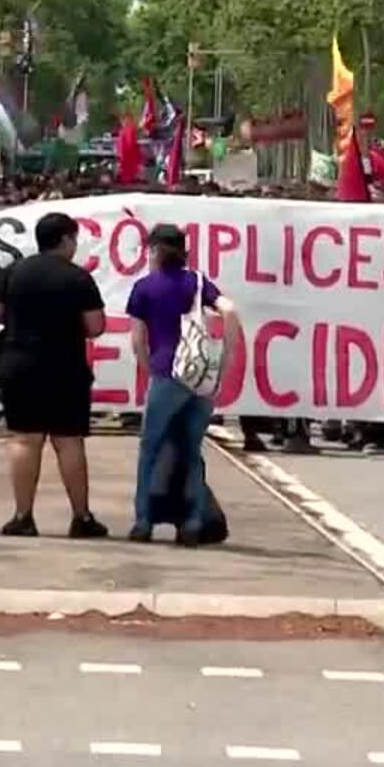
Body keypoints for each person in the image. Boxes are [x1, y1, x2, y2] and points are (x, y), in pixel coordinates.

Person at [0, 211, 109, 539]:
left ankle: (22, 516)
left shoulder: (14, 271)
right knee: (68, 441)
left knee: (25, 438)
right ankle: (81, 517)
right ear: (66, 239)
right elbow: (95, 326)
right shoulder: (78, 277)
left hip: (19, 364)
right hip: (65, 367)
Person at [124, 224, 241, 545]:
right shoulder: (200, 283)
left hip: (167, 371)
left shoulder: (144, 287)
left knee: (150, 448)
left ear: (153, 251)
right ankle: (192, 522)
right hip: (200, 377)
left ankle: (143, 520)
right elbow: (229, 310)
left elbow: (137, 341)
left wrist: (150, 368)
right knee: (191, 451)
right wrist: (224, 362)